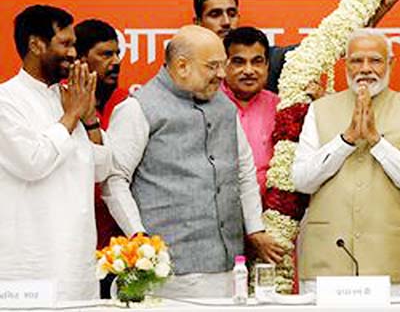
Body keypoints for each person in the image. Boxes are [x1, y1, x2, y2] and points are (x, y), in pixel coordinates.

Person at [103, 25, 283, 298]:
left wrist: (255, 228)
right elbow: (114, 179)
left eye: (222, 65)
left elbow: (244, 172)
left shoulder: (224, 106)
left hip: (228, 269)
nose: (222, 74)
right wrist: (138, 238)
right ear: (182, 66)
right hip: (167, 273)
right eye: (213, 66)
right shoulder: (138, 108)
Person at [293, 29, 400, 295]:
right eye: (357, 61)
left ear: (390, 63)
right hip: (327, 262)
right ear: (345, 64)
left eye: (375, 60)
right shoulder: (320, 109)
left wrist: (377, 142)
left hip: (389, 263)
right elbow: (302, 180)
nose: (365, 69)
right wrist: (345, 141)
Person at [0, 5, 111, 300]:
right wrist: (71, 115)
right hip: (31, 268)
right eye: (66, 44)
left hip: (77, 263)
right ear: (36, 45)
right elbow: (32, 163)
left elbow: (101, 171)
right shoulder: (6, 101)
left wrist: (89, 119)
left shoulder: (67, 97)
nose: (75, 54)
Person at [192, 0, 400, 93]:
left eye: (231, 14)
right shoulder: (187, 70)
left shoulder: (271, 60)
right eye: (215, 14)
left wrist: (383, 6)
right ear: (198, 23)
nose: (225, 22)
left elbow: (334, 43)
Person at [75, 18, 127, 298]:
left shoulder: (127, 103)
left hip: (119, 246)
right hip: (73, 238)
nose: (116, 61)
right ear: (81, 59)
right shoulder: (60, 101)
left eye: (117, 53)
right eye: (106, 54)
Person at [221, 26, 279, 200]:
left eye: (257, 61)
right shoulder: (208, 105)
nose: (248, 70)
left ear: (267, 65)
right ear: (224, 65)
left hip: (269, 214)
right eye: (239, 62)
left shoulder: (281, 107)